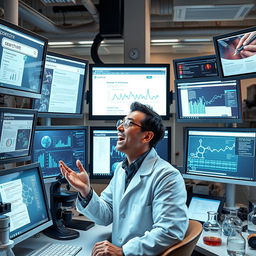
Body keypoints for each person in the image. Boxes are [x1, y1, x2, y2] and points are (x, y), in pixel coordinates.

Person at [59, 101, 188, 256]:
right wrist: (85, 191)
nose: (119, 128)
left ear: (147, 136)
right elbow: (105, 216)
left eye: (129, 124)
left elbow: (170, 231)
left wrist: (124, 251)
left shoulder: (167, 176)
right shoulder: (122, 169)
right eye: (121, 123)